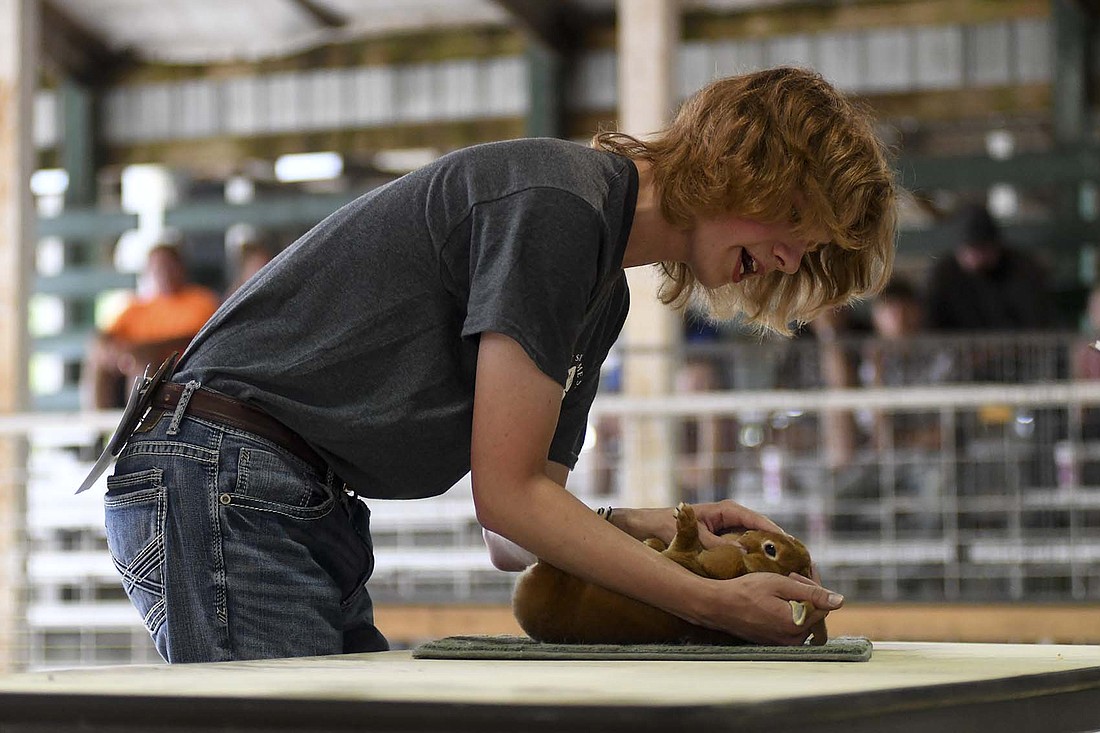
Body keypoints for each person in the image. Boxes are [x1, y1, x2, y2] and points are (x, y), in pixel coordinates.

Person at [98, 66, 897, 663]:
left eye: (813, 248)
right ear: (742, 162)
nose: (793, 254)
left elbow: (512, 531)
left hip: (291, 492)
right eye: (797, 218)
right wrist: (711, 601)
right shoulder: (557, 205)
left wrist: (669, 525)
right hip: (226, 471)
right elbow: (508, 501)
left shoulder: (602, 292)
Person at [82, 243, 221, 409]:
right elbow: (107, 335)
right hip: (128, 370)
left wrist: (147, 349)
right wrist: (108, 348)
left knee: (143, 360)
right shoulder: (136, 308)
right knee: (98, 360)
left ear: (181, 268)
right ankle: (98, 428)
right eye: (156, 267)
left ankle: (135, 425)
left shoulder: (201, 300)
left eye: (168, 266)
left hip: (177, 370)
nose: (162, 272)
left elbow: (198, 339)